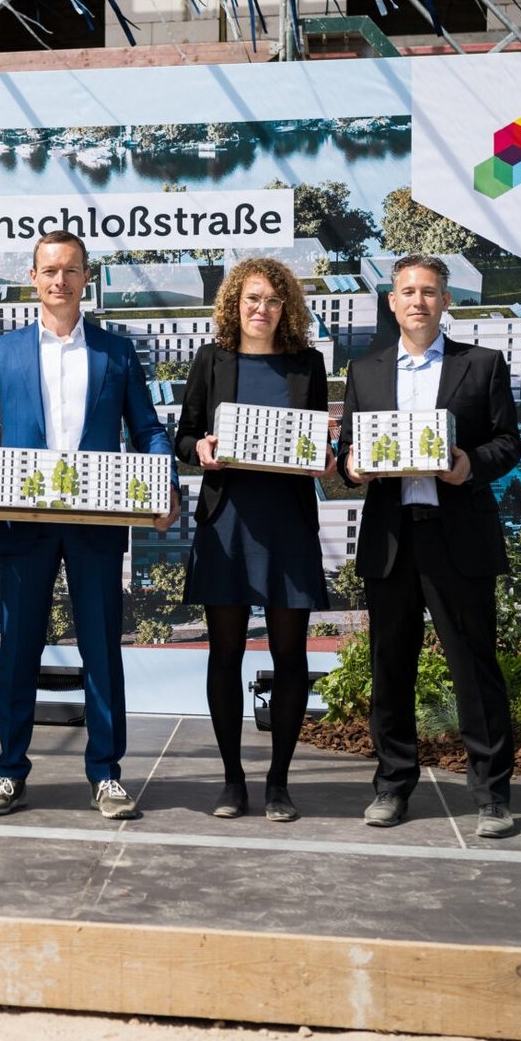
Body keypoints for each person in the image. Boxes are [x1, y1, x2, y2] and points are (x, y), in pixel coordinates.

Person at [0, 230, 179, 820]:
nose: (60, 280)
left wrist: (165, 481)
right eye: (50, 270)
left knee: (102, 650)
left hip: (96, 523)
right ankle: (9, 772)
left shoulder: (116, 353)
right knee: (17, 651)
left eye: (71, 270)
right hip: (22, 523)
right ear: (33, 278)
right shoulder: (4, 352)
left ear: (87, 278)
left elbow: (149, 429)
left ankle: (106, 774)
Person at [337, 253, 521, 838]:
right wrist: (352, 468)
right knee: (390, 669)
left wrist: (470, 465)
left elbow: (509, 442)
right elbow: (347, 455)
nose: (418, 301)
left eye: (429, 291)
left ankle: (492, 796)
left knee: (474, 670)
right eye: (408, 291)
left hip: (457, 537)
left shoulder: (482, 365)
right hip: (392, 539)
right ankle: (392, 786)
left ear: (446, 301)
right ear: (392, 302)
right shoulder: (365, 371)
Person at [175, 258, 335, 822]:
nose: (261, 309)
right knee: (226, 653)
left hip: (288, 522)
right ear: (234, 305)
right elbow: (184, 436)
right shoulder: (211, 359)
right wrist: (199, 448)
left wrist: (324, 457)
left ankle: (279, 783)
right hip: (228, 522)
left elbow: (319, 442)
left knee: (290, 656)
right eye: (251, 299)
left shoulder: (308, 364)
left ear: (285, 307)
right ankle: (232, 780)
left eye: (271, 300)